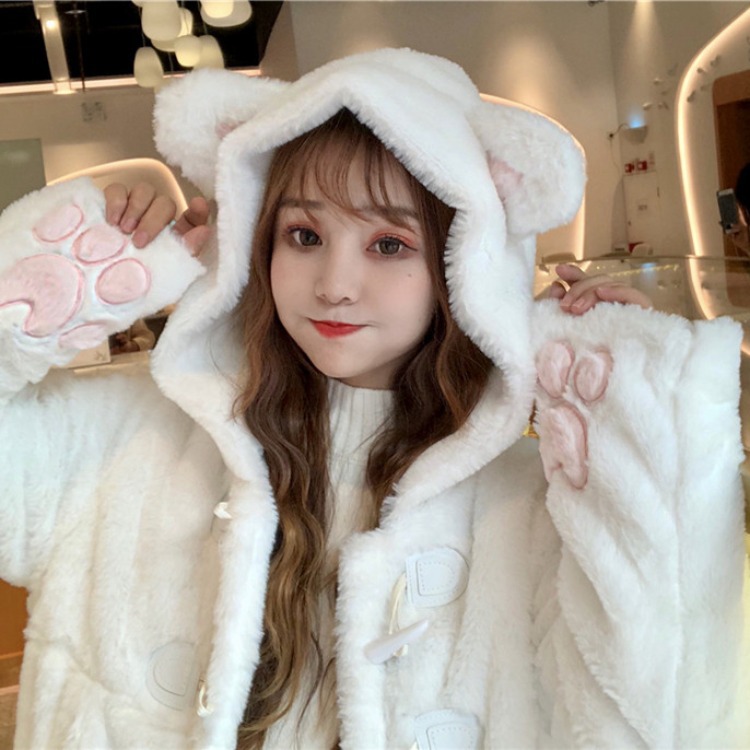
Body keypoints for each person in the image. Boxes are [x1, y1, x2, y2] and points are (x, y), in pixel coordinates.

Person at [0, 48, 746, 749]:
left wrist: (640, 429)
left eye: (389, 244)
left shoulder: (529, 503)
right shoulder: (129, 437)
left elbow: (659, 709)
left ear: (465, 262)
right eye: (303, 235)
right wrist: (34, 289)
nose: (334, 285)